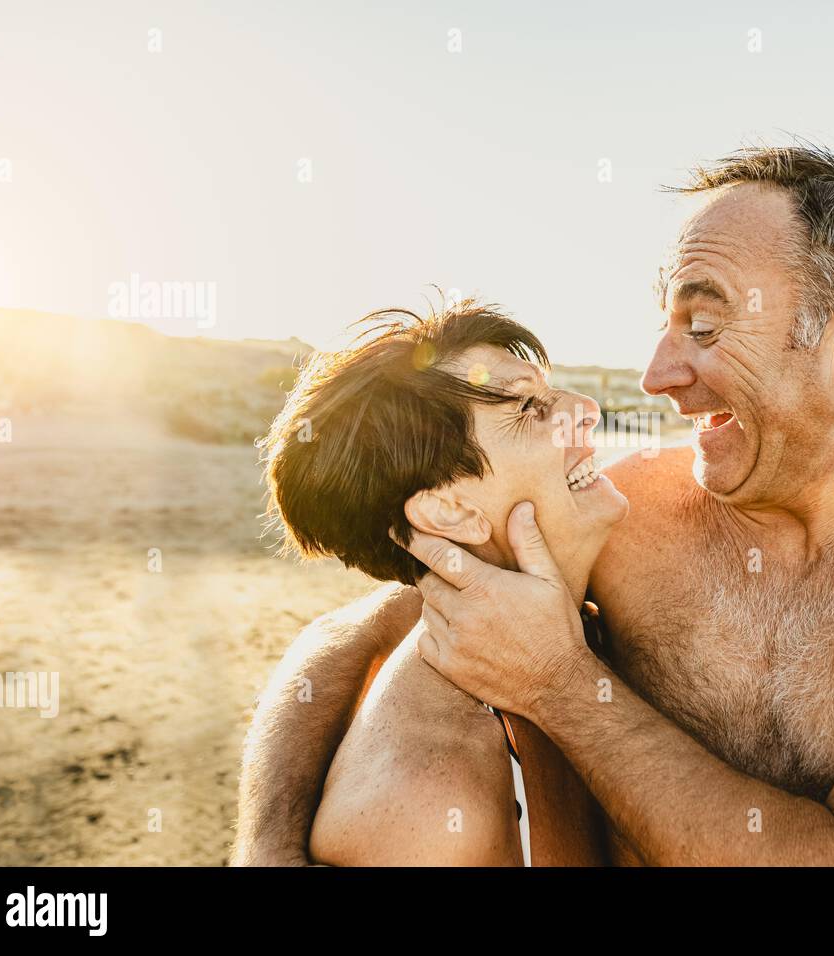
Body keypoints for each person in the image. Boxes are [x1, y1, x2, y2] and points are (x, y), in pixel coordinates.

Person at [234, 143, 834, 867]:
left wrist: (563, 686)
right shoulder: (627, 507)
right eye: (664, 322)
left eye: (703, 325)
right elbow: (363, 627)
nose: (656, 375)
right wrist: (266, 846)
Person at [242, 301, 625, 865]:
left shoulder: (602, 582)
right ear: (449, 512)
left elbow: (358, 622)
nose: (587, 410)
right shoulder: (432, 810)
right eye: (527, 407)